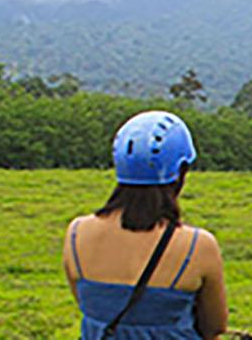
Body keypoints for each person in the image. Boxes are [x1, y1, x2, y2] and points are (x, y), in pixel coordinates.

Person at [63, 111, 228, 340]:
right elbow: (215, 327)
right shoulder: (198, 245)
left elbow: (91, 307)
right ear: (180, 172)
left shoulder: (77, 233)